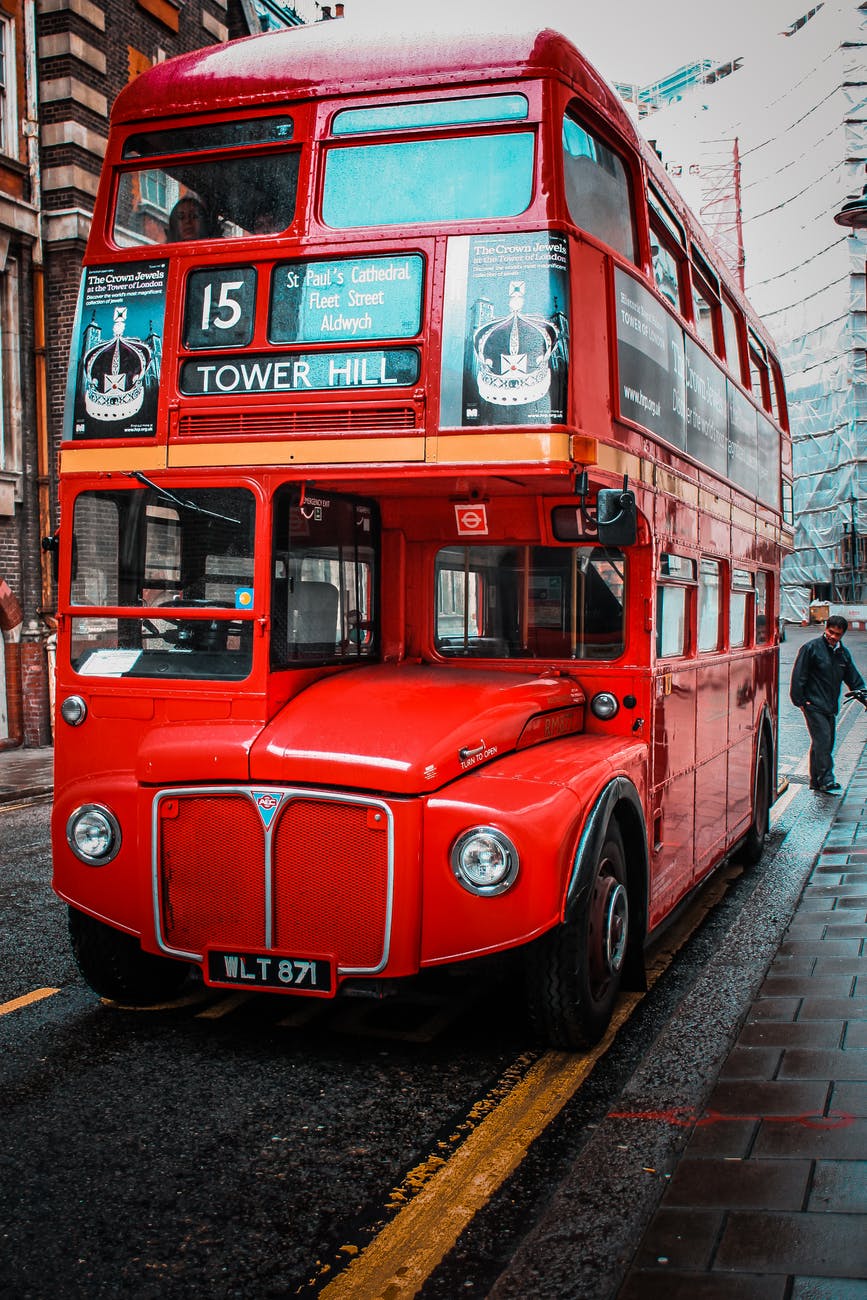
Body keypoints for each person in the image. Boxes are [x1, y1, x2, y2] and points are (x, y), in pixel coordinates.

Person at [790, 615, 867, 793]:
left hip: (830, 706)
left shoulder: (842, 654)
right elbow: (799, 676)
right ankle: (826, 780)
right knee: (823, 740)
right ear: (826, 628)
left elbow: (854, 679)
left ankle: (815, 781)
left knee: (824, 741)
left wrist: (863, 696)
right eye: (831, 632)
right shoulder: (811, 648)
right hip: (812, 704)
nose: (833, 636)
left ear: (842, 635)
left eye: (837, 634)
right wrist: (800, 701)